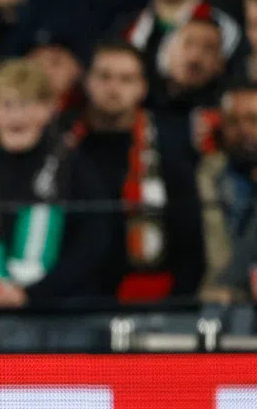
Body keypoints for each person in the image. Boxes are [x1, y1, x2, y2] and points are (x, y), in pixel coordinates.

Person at [0, 59, 112, 308]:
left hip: (63, 312)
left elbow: (93, 246)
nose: (16, 116)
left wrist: (32, 294)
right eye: (6, 105)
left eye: (27, 104)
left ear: (49, 109)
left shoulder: (77, 168)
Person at [68, 40, 205, 301]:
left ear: (142, 87)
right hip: (73, 294)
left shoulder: (168, 144)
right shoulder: (64, 142)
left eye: (126, 79)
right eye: (104, 77)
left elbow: (189, 231)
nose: (113, 88)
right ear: (87, 82)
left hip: (152, 293)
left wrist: (178, 298)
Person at [199, 83, 257, 304]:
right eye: (233, 122)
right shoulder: (207, 176)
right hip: (218, 298)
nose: (244, 130)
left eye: (253, 120)